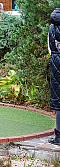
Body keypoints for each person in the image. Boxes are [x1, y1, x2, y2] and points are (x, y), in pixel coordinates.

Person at [48, 8, 60, 145]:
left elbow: (50, 48)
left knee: (58, 100)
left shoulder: (52, 27)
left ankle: (58, 136)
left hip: (56, 61)